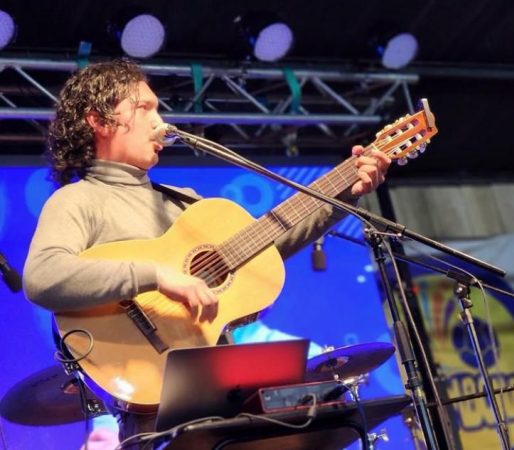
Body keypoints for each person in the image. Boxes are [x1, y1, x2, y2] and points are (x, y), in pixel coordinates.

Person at [22, 59, 391, 447]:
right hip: (156, 414)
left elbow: (270, 244)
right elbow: (43, 275)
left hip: (225, 395)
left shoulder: (185, 204)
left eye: (157, 108)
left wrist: (345, 192)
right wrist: (158, 276)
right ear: (99, 121)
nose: (159, 120)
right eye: (144, 108)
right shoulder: (78, 200)